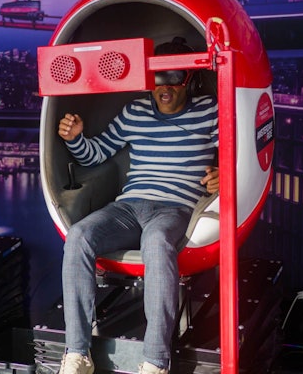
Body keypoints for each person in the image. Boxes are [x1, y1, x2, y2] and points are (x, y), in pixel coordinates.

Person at [57, 37, 219, 374]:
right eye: (158, 77)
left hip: (175, 206)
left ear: (190, 80)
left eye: (174, 78)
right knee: (79, 236)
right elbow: (97, 154)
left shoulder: (209, 110)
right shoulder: (135, 111)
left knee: (156, 242)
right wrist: (75, 139)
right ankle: (77, 355)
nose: (165, 87)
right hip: (130, 205)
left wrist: (224, 175)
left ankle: (156, 362)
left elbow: (235, 156)